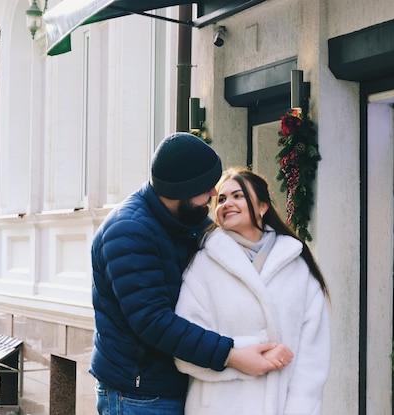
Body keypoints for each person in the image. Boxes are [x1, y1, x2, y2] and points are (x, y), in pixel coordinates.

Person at [89, 133, 293, 415]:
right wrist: (231, 355)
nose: (213, 195)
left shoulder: (186, 220)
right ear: (181, 192)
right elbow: (153, 321)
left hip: (180, 386)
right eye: (207, 188)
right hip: (140, 396)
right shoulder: (128, 233)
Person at [175, 166, 331, 415]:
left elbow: (313, 355)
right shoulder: (202, 266)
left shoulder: (296, 265)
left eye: (238, 196)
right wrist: (251, 351)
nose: (227, 204)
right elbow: (186, 349)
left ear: (262, 207)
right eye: (222, 199)